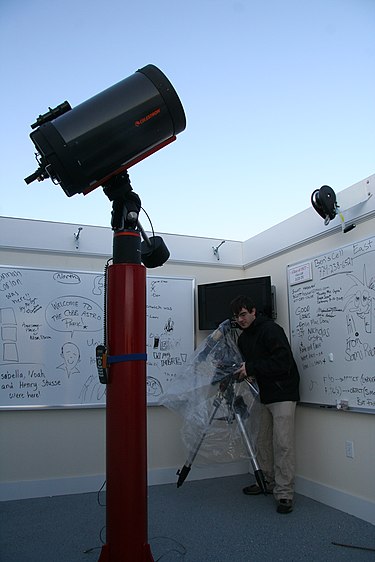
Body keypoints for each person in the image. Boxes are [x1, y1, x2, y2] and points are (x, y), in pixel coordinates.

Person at [230, 294, 300, 514]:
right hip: (262, 393)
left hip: (283, 392)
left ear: (253, 312)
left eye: (243, 314)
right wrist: (244, 372)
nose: (240, 320)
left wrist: (251, 368)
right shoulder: (243, 338)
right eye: (236, 317)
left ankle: (284, 494)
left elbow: (282, 362)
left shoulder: (271, 330)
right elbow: (252, 366)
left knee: (283, 443)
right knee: (261, 442)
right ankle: (266, 482)